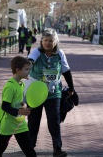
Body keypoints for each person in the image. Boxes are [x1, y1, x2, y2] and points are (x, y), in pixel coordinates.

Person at [26, 28, 75, 157]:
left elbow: (66, 71)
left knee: (54, 120)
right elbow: (30, 61)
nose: (48, 43)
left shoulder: (59, 54)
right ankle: (30, 147)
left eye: (51, 41)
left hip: (54, 92)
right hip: (36, 92)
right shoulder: (36, 52)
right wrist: (28, 66)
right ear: (42, 41)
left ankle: (57, 149)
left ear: (55, 42)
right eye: (45, 40)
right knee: (33, 120)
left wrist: (71, 88)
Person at [0, 56, 36, 157]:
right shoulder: (10, 86)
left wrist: (23, 105)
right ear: (17, 70)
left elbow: (17, 102)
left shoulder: (21, 84)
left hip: (19, 123)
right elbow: (5, 106)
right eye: (26, 69)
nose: (28, 72)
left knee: (28, 148)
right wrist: (19, 112)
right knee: (0, 148)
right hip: (8, 124)